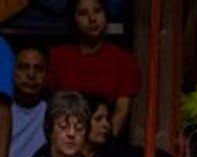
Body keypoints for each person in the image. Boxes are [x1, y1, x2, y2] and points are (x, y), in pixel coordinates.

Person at [48, 0, 141, 139]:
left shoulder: (123, 60)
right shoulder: (58, 56)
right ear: (73, 19)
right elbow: (52, 107)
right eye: (83, 13)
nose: (92, 19)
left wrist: (103, 142)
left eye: (97, 11)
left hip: (105, 141)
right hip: (65, 139)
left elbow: (121, 112)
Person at [10, 45, 47, 157]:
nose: (31, 75)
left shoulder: (53, 114)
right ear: (12, 71)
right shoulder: (3, 110)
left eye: (38, 69)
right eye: (23, 68)